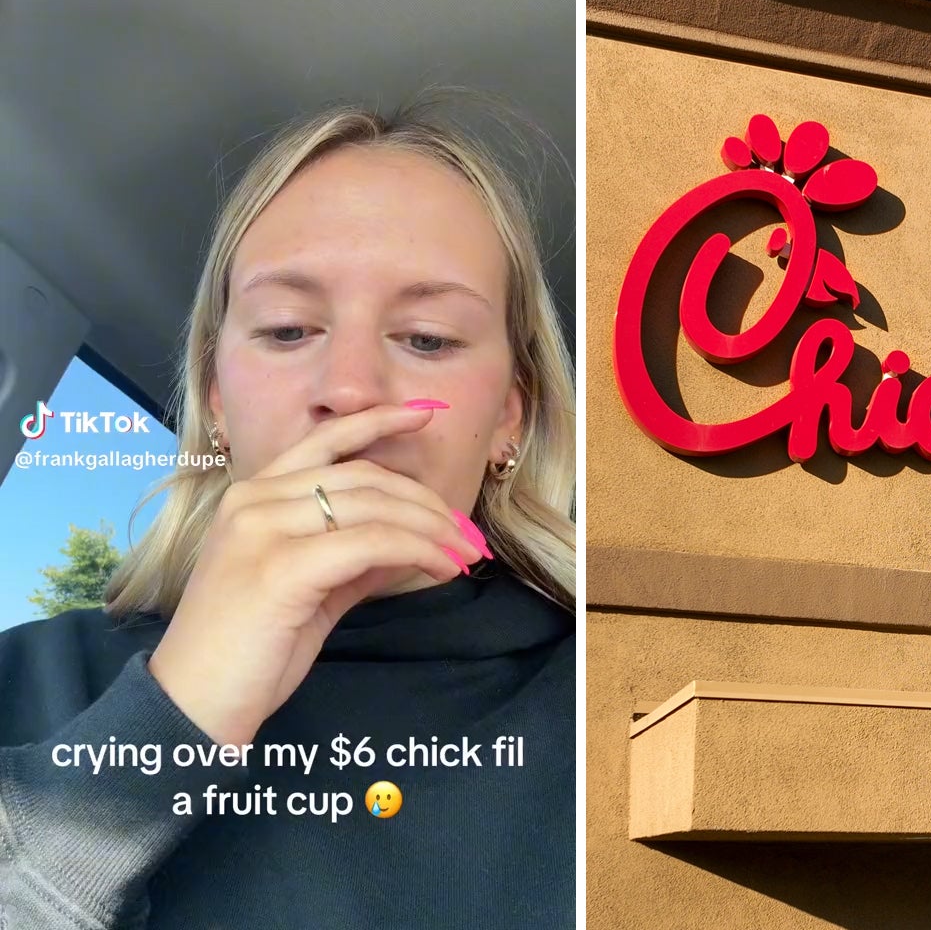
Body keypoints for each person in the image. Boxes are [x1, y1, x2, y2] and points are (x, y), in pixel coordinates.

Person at [0, 99, 576, 927]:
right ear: (216, 403)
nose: (349, 389)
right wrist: (164, 724)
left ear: (509, 420)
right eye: (287, 329)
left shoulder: (610, 699)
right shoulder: (27, 678)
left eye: (428, 338)